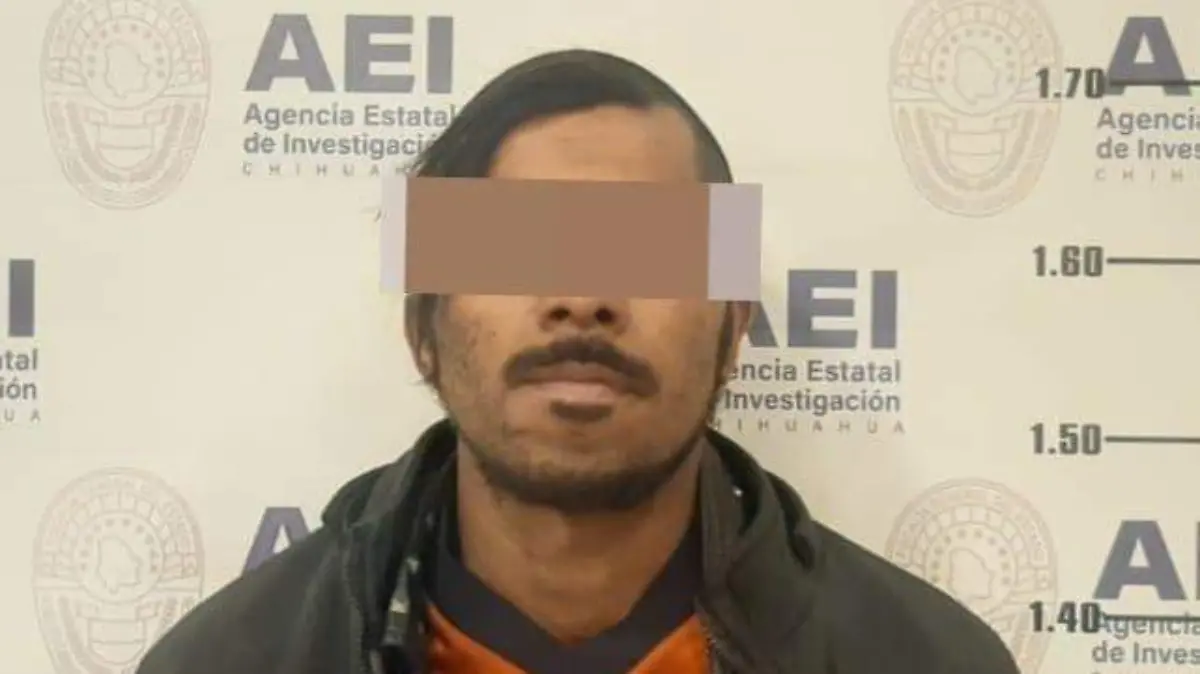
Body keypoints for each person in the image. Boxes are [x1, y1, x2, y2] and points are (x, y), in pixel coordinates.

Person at [137, 49, 1018, 674]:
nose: (583, 296)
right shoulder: (234, 661)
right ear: (422, 328)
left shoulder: (925, 660)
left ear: (734, 325)